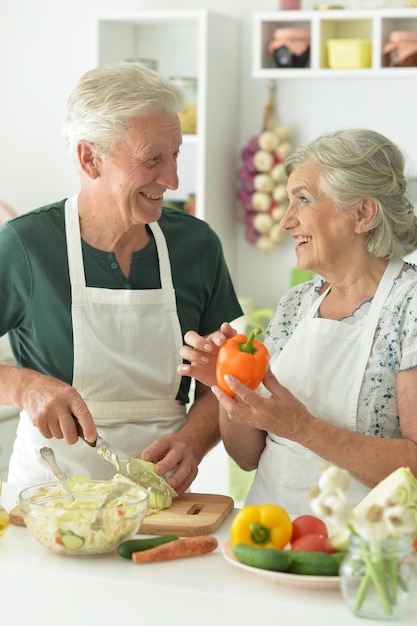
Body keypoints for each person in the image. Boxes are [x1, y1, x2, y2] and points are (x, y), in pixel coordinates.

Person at [0, 63, 242, 491]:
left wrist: (193, 440)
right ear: (89, 158)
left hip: (163, 498)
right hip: (50, 497)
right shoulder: (25, 245)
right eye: (153, 159)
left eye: (175, 155)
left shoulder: (197, 245)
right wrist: (22, 385)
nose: (172, 179)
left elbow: (220, 381)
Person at [179, 128, 417, 514]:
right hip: (265, 537)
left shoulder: (410, 305)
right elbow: (247, 456)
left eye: (302, 200)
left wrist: (302, 427)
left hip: (364, 556)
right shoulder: (296, 304)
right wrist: (228, 385)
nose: (287, 220)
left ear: (362, 212)